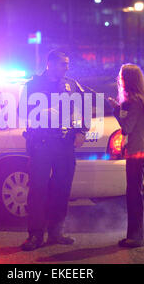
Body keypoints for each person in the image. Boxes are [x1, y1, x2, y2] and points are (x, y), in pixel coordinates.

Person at [20, 50, 88, 251]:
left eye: (67, 64)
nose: (66, 68)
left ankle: (56, 232)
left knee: (62, 189)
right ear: (49, 64)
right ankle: (35, 235)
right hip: (41, 144)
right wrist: (41, 111)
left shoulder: (72, 85)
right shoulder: (33, 85)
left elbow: (83, 108)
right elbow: (21, 111)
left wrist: (81, 131)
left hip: (64, 144)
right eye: (62, 64)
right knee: (38, 190)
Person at [108, 64, 144, 248]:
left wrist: (116, 110)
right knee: (135, 192)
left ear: (127, 79)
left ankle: (136, 238)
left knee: (134, 193)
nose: (119, 79)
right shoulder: (139, 98)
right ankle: (135, 236)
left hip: (139, 149)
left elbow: (127, 128)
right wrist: (120, 108)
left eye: (121, 76)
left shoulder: (135, 100)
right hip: (141, 147)